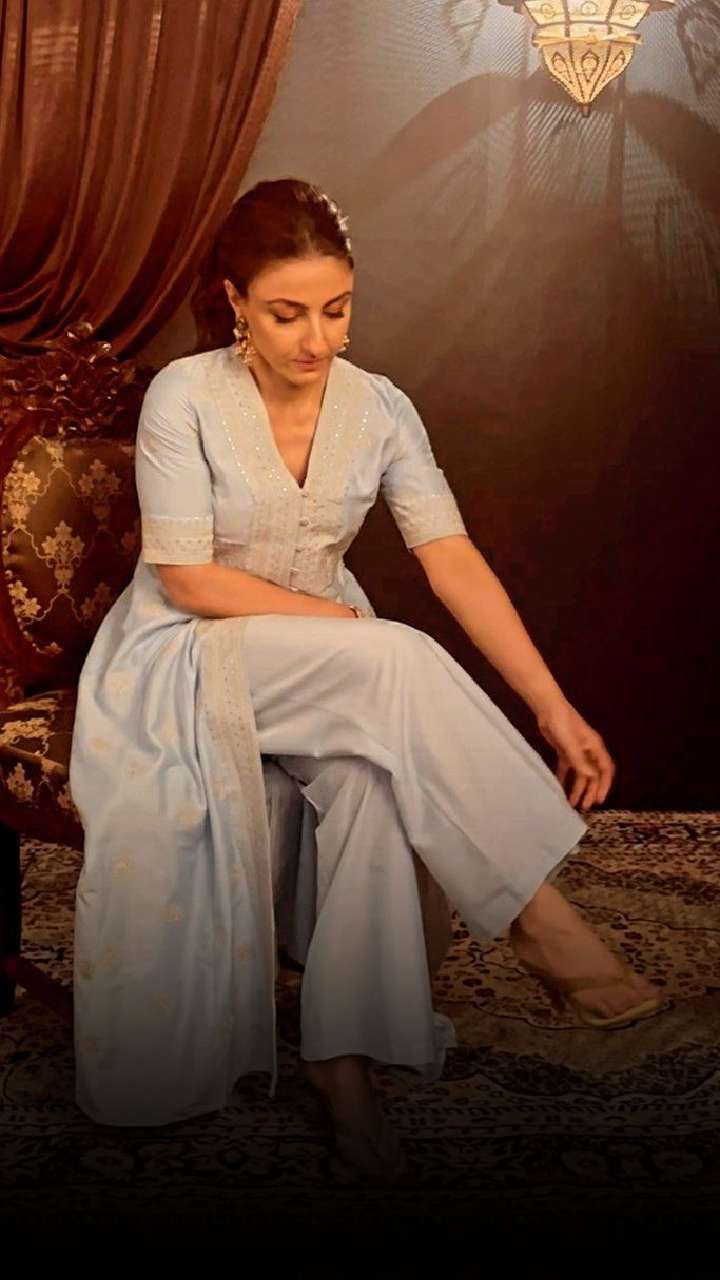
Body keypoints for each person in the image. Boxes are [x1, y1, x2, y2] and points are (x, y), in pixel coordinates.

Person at [69, 178, 666, 1181]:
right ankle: (540, 917)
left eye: (337, 309)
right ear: (235, 303)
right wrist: (343, 624)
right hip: (186, 653)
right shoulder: (185, 395)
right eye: (287, 313)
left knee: (375, 780)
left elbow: (451, 559)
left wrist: (554, 706)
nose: (318, 339)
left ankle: (342, 1062)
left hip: (332, 665)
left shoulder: (381, 406)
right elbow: (187, 578)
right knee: (392, 653)